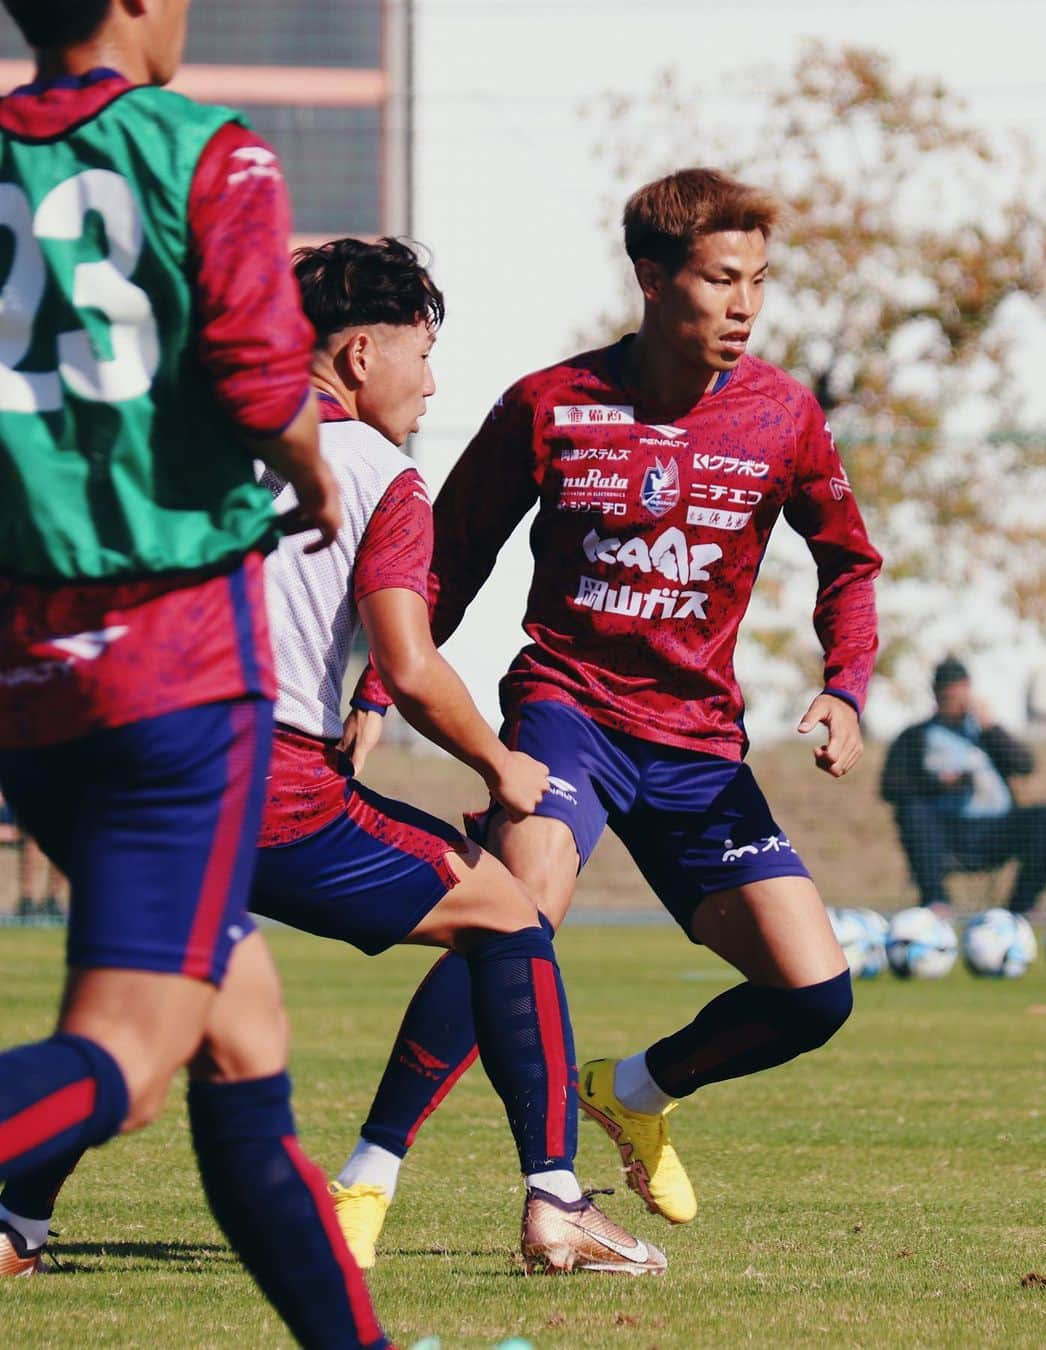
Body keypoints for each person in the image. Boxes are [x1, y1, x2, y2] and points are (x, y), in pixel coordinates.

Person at [0, 236, 666, 1278]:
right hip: (265, 784)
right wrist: (502, 767)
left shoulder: (197, 436)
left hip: (116, 769)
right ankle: (557, 1202)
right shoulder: (375, 471)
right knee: (507, 915)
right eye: (424, 351)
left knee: (145, 1018)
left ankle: (15, 1228)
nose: (433, 380)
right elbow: (410, 662)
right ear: (360, 356)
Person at [338, 166, 883, 1256]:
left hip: (698, 747)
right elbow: (444, 565)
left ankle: (636, 1089)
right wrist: (371, 691)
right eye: (721, 279)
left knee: (815, 997)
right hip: (569, 708)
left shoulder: (783, 414)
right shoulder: (551, 404)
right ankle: (366, 1179)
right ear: (651, 277)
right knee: (512, 910)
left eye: (759, 283)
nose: (743, 305)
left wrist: (845, 685)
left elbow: (850, 564)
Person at [0, 4, 393, 1345]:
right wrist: (311, 466)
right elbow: (255, 372)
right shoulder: (205, 152)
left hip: (26, 674)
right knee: (131, 1051)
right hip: (173, 665)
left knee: (240, 1041)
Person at [880, 657, 1046, 915]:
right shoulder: (915, 736)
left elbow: (1024, 765)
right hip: (945, 832)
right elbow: (890, 787)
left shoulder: (985, 733)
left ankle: (1023, 905)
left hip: (996, 830)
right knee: (911, 811)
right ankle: (936, 900)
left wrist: (990, 728)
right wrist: (939, 784)